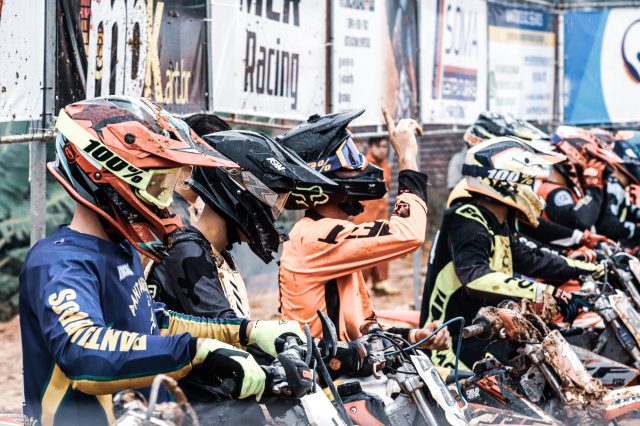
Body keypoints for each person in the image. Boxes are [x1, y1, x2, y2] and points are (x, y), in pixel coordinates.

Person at [20, 97, 304, 426]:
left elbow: (155, 322)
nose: (166, 201)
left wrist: (246, 331)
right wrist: (194, 350)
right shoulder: (58, 262)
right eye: (157, 184)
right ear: (107, 174)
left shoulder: (120, 251)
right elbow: (83, 352)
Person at [146, 115, 331, 421]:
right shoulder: (188, 251)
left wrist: (321, 351)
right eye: (269, 198)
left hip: (223, 402)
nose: (272, 212)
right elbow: (228, 331)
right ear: (238, 193)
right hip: (201, 411)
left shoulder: (215, 252)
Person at [276, 108, 450, 362]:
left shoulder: (326, 235)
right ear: (321, 175)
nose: (361, 166)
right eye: (350, 158)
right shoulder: (318, 236)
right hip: (323, 376)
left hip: (339, 368)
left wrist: (414, 336)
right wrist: (407, 158)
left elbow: (363, 327)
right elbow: (408, 233)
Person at [420, 137, 602, 370]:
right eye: (527, 181)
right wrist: (544, 291)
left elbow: (531, 258)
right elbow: (476, 278)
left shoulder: (496, 220)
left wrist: (587, 269)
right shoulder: (465, 217)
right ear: (504, 180)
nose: (532, 189)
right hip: (451, 343)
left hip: (487, 332)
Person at [351, 136, 397, 295]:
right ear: (371, 147)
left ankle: (380, 281)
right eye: (379, 146)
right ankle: (361, 285)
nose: (383, 150)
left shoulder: (384, 164)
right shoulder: (364, 164)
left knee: (382, 248)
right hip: (365, 214)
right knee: (364, 249)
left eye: (385, 147)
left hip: (381, 212)